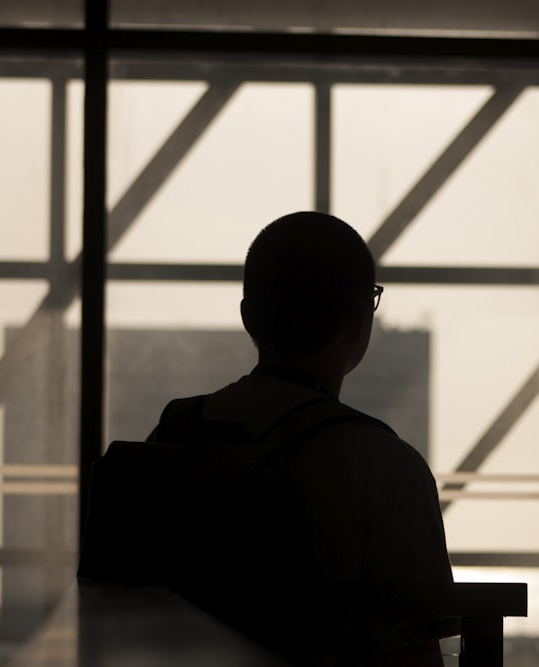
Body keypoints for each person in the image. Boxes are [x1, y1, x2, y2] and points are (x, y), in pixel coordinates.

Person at [79, 212, 453, 665]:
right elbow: (412, 653)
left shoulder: (173, 436)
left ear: (248, 316)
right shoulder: (387, 468)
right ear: (360, 322)